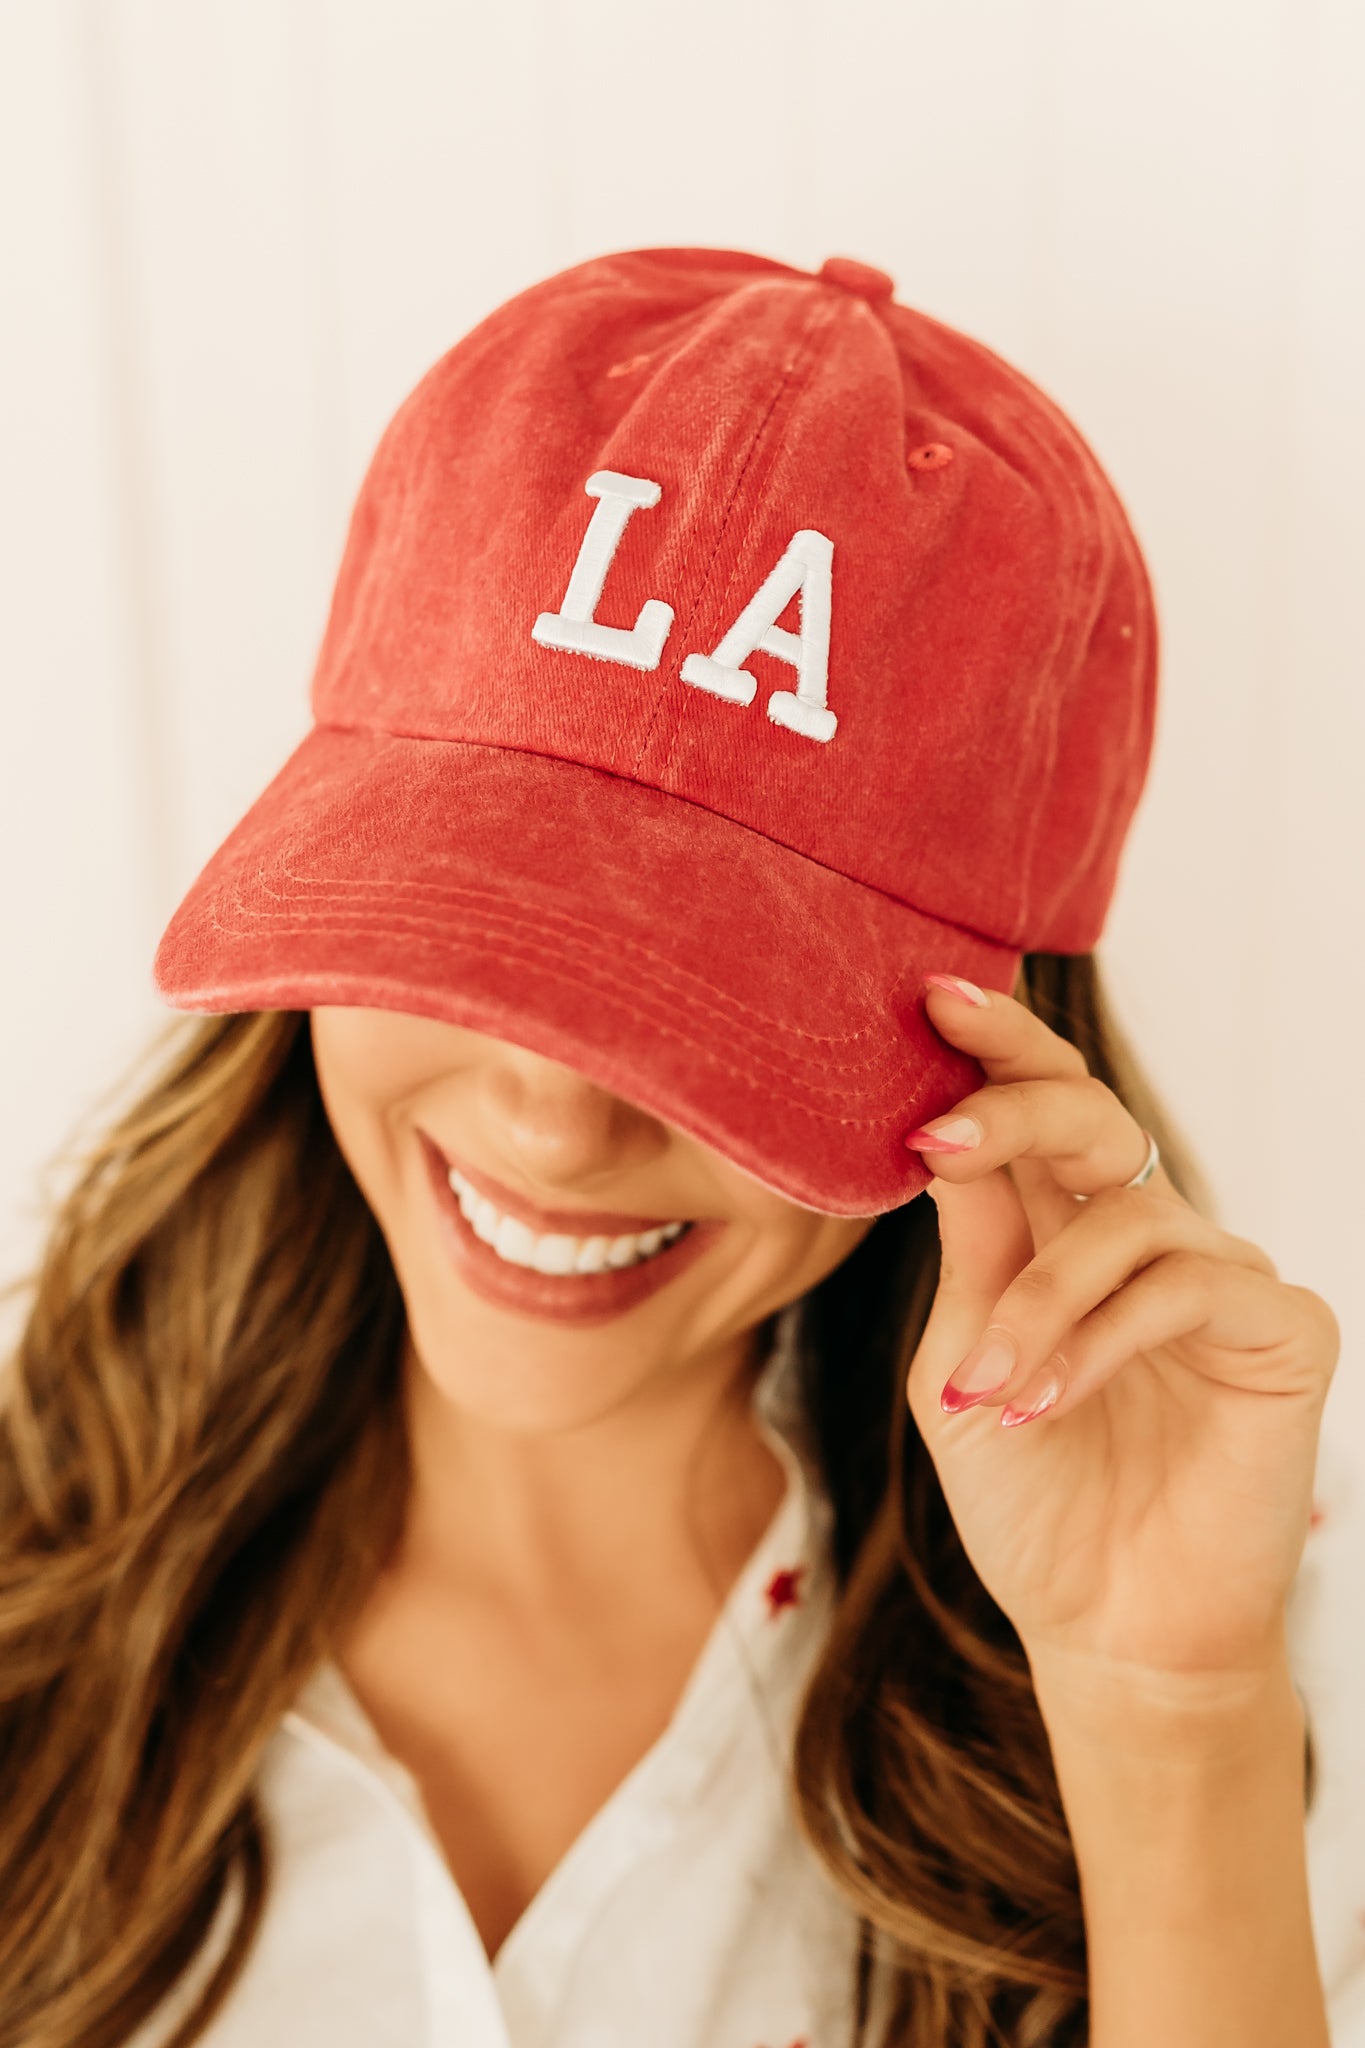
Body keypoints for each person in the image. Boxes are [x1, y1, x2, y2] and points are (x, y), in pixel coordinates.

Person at [1, 246, 1360, 2048]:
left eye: (716, 1008)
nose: (555, 1119)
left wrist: (1164, 1719)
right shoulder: (35, 1586)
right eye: (477, 929)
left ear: (1007, 1051)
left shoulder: (1225, 1659)